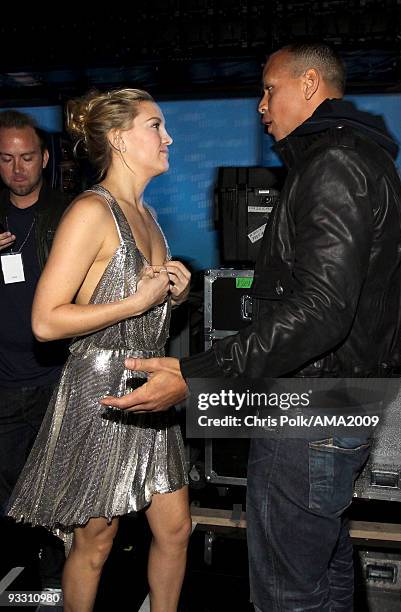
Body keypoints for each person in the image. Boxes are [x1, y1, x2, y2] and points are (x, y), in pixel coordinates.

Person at [102, 43, 401, 611]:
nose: (260, 106)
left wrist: (198, 376)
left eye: (270, 89)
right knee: (322, 565)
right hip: (339, 398)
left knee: (285, 590)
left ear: (311, 84)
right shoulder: (360, 157)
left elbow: (320, 308)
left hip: (310, 407)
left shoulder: (334, 164)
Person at [7, 88, 192, 612]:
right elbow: (46, 321)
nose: (168, 137)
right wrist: (138, 299)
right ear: (118, 139)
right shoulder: (92, 211)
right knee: (95, 540)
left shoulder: (148, 213)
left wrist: (173, 295)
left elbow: (136, 311)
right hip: (100, 391)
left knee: (176, 529)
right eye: (155, 126)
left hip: (148, 385)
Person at [0, 110, 70, 593]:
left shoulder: (69, 214)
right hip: (3, 379)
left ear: (44, 158)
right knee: (7, 488)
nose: (17, 168)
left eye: (27, 157)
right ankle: (20, 569)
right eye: (6, 159)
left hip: (55, 372)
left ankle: (53, 575)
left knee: (55, 482)